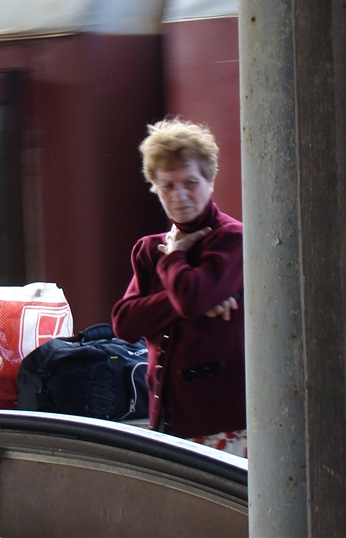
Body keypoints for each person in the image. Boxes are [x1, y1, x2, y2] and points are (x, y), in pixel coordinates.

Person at [112, 118, 245, 450]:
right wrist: (197, 301)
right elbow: (125, 323)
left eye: (190, 183)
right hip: (167, 417)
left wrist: (174, 259)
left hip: (224, 419)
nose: (180, 196)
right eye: (167, 186)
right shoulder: (147, 249)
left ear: (210, 181)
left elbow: (190, 298)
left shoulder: (232, 239)